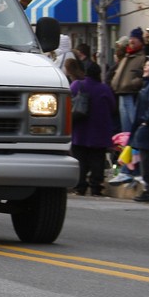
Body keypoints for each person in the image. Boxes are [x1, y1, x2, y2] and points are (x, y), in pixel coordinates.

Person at [66, 57, 116, 196]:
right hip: (99, 131)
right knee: (97, 161)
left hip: (80, 130)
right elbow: (113, 107)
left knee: (80, 160)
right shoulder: (104, 88)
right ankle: (96, 187)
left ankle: (80, 186)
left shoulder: (76, 85)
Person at [129, 57, 149, 203]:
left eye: (148, 66)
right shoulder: (148, 85)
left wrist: (147, 121)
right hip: (147, 131)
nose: (145, 68)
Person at [110, 27, 147, 133]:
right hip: (121, 94)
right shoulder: (127, 56)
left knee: (133, 126)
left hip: (131, 95)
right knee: (125, 128)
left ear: (140, 41)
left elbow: (143, 77)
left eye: (135, 38)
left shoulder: (141, 58)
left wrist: (132, 83)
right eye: (131, 38)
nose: (132, 41)